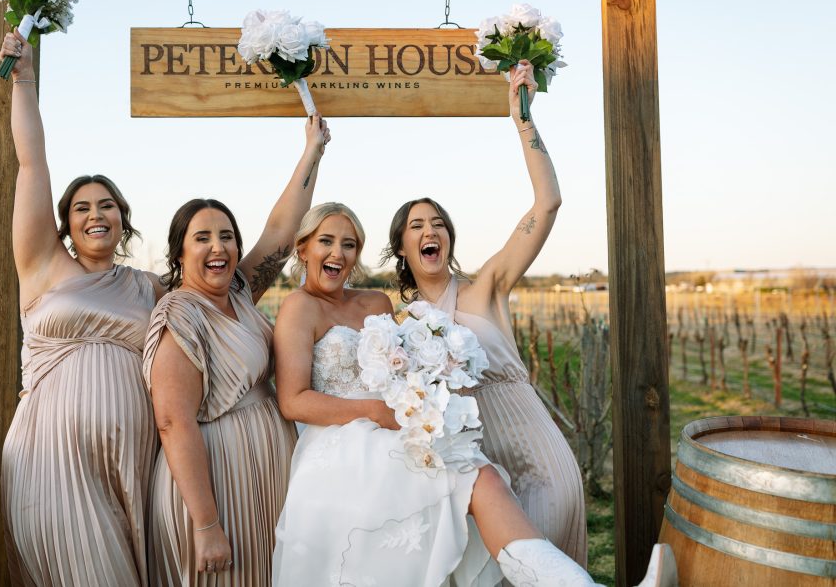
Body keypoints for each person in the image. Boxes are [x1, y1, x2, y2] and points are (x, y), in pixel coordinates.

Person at [272, 203, 675, 586]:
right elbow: (293, 400)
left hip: (402, 428)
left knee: (484, 479)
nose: (338, 253)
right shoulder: (298, 307)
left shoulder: (375, 302)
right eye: (326, 241)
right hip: (346, 442)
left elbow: (401, 369)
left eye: (349, 244)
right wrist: (378, 412)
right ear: (302, 249)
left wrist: (425, 389)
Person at [381, 61, 587, 565]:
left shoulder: (488, 287)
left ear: (448, 238)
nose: (430, 230)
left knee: (541, 565)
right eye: (416, 226)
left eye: (437, 223)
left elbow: (548, 202)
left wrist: (523, 120)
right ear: (402, 246)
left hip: (534, 451)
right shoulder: (399, 324)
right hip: (469, 470)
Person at [0, 31, 166, 585]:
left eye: (107, 205)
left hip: (129, 461)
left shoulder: (149, 287)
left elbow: (231, 274)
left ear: (123, 219)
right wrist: (23, 78)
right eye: (82, 207)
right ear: (65, 223)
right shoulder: (44, 266)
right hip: (47, 456)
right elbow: (31, 164)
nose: (96, 214)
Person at [143, 114, 330, 586]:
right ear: (179, 253)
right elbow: (173, 421)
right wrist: (206, 524)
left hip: (266, 470)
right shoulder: (179, 314)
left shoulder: (240, 292)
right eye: (202, 238)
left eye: (226, 236)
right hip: (218, 482)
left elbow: (282, 231)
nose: (218, 247)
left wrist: (312, 152)